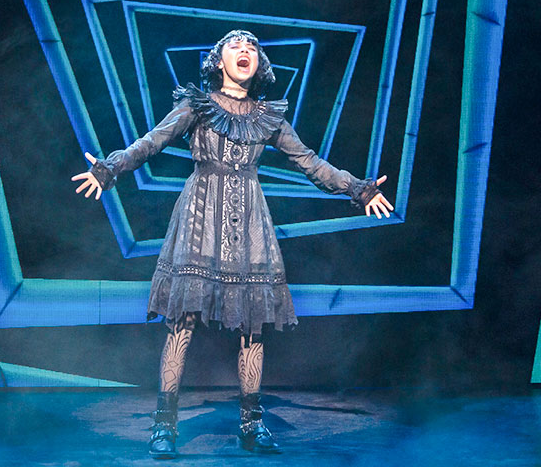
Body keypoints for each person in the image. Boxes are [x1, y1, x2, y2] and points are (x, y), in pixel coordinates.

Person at [72, 29, 393, 458]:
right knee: (181, 321)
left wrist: (360, 189)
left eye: (252, 47)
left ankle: (252, 423)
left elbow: (309, 162)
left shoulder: (268, 115)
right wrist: (109, 168)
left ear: (259, 62)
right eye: (235, 46)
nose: (245, 51)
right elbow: (152, 142)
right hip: (200, 216)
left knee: (252, 326)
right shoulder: (197, 105)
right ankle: (164, 426)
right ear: (218, 60)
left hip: (250, 223)